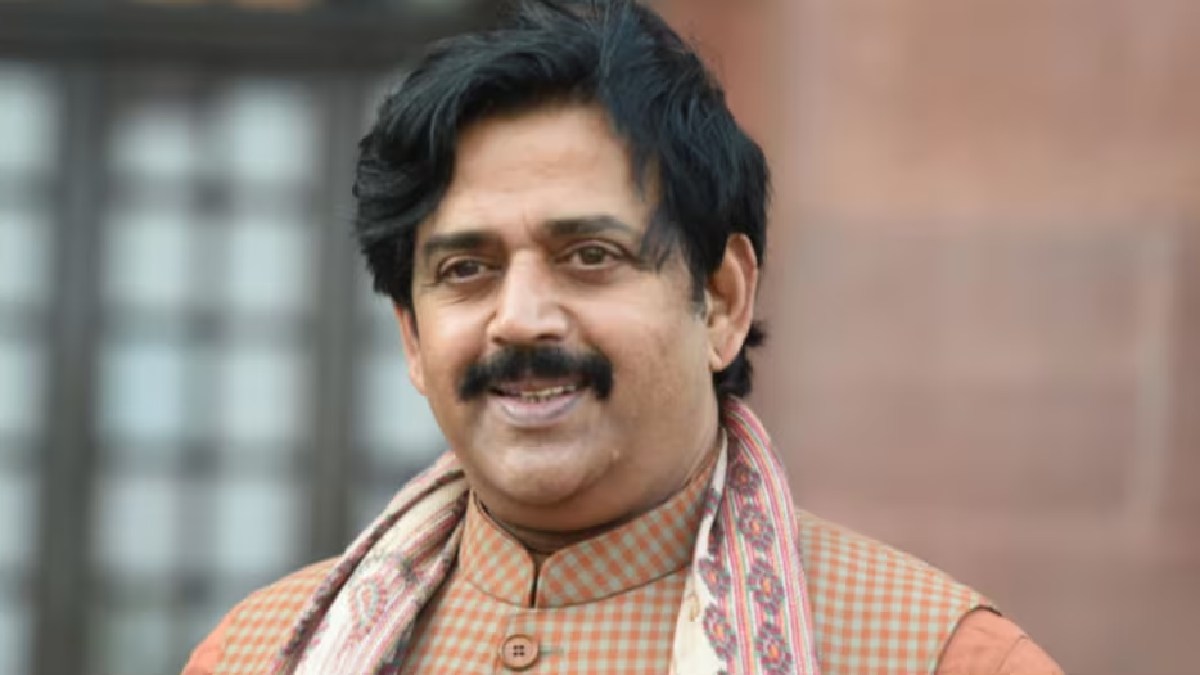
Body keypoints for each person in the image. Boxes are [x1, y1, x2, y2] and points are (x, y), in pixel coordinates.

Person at [184, 1, 1063, 673]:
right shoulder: (256, 654)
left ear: (722, 298)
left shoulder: (936, 656)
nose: (521, 317)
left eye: (589, 256)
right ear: (412, 336)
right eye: (466, 268)